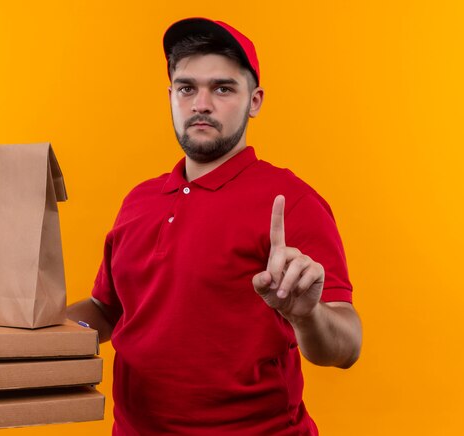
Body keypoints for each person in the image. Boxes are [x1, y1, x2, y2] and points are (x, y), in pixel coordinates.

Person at [67, 17, 362, 435]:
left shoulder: (291, 200)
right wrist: (42, 329)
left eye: (222, 88)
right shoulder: (139, 200)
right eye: (187, 88)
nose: (200, 104)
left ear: (254, 101)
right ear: (171, 96)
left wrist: (307, 315)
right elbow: (106, 311)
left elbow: (347, 346)